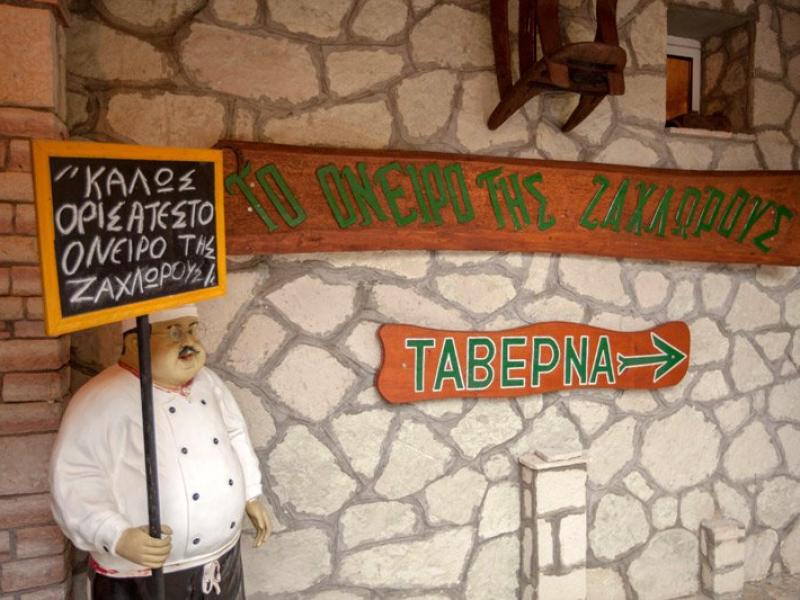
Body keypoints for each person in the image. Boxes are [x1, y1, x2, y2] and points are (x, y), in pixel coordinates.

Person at [50, 305, 271, 599]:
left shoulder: (209, 383)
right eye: (174, 333)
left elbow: (235, 435)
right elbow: (75, 477)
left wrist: (250, 494)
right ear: (134, 342)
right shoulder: (100, 398)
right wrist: (117, 535)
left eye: (192, 330)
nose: (189, 343)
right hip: (143, 576)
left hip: (223, 559)